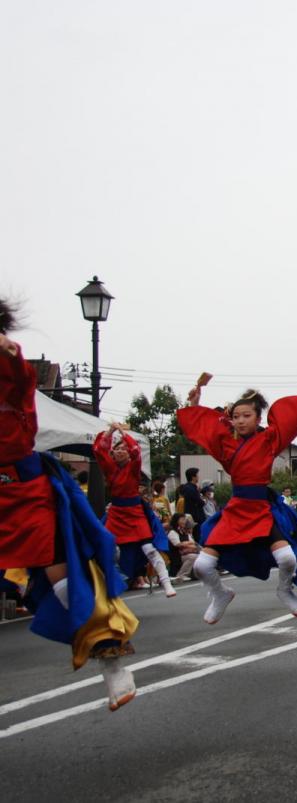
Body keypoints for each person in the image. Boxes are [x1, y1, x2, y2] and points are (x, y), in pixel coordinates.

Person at [0, 298, 138, 710]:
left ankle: (113, 662)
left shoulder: (12, 372)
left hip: (23, 493)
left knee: (64, 581)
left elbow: (17, 372)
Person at [177, 376, 297, 624]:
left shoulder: (269, 440)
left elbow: (294, 420)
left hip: (262, 509)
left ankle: (284, 589)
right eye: (236, 416)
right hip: (236, 509)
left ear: (258, 419)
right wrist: (195, 403)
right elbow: (204, 430)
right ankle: (220, 594)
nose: (241, 420)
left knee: (287, 558)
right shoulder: (226, 444)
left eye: (246, 416)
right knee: (202, 566)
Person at [93, 425, 175, 597]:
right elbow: (100, 450)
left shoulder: (133, 466)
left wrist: (124, 433)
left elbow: (136, 451)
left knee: (148, 548)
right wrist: (110, 431)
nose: (121, 451)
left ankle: (166, 583)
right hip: (116, 512)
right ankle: (112, 581)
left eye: (124, 449)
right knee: (106, 546)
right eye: (118, 449)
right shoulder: (109, 468)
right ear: (113, 453)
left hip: (134, 511)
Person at [167, 513, 201, 581]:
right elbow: (178, 544)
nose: (184, 521)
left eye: (184, 519)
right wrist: (189, 543)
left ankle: (195, 574)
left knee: (201, 554)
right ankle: (181, 575)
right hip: (177, 555)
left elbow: (192, 542)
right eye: (182, 519)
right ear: (176, 520)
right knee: (193, 556)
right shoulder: (172, 532)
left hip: (185, 552)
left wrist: (189, 544)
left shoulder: (184, 531)